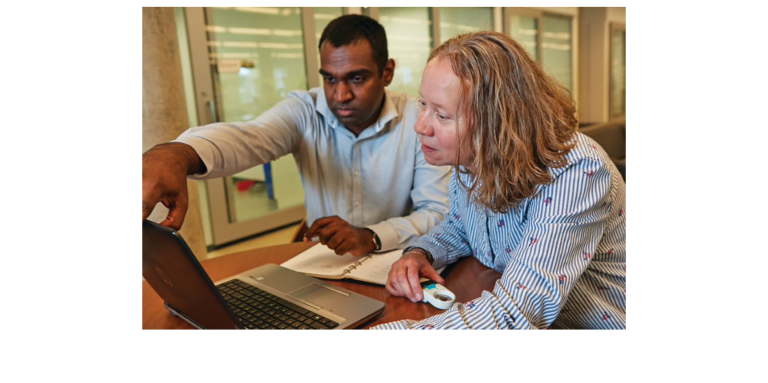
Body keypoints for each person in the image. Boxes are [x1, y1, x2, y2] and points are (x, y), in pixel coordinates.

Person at [376, 31, 626, 329]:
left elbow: (515, 313)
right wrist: (421, 253)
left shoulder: (576, 170)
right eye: (423, 104)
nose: (420, 125)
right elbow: (462, 226)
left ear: (496, 121)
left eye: (442, 115)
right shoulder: (474, 155)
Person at [142, 15, 450, 256]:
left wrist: (370, 236)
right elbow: (251, 137)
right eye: (329, 78)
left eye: (356, 78)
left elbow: (437, 212)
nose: (340, 94)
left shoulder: (417, 120)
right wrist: (178, 153)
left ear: (387, 72)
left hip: (394, 257)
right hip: (322, 259)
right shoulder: (305, 110)